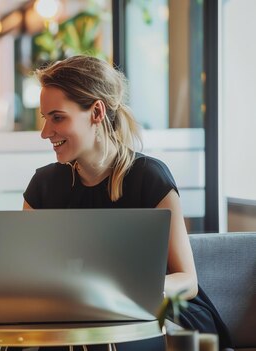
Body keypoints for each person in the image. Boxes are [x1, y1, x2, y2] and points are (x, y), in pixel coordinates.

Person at [23, 55, 230, 350]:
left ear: (96, 111)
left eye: (57, 117)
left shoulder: (150, 177)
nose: (45, 132)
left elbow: (187, 281)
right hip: (78, 320)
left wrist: (120, 293)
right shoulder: (42, 186)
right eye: (45, 118)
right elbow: (25, 275)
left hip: (159, 314)